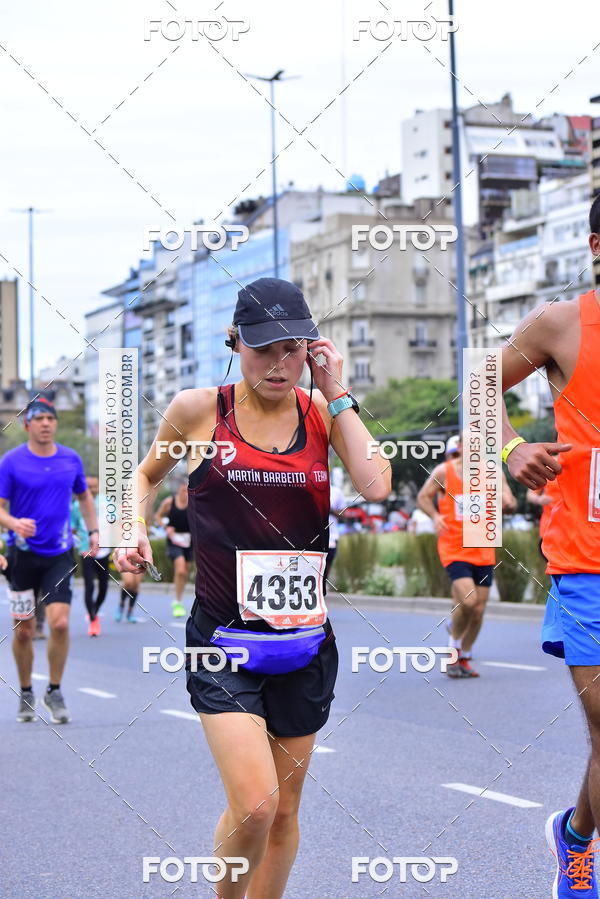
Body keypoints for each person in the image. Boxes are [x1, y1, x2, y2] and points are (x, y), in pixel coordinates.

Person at [115, 277, 391, 899]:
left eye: (293, 349)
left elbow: (376, 485)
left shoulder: (322, 413)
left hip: (303, 643)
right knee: (258, 806)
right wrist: (132, 529)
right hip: (223, 639)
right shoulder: (198, 410)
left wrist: (337, 390)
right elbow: (141, 476)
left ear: (312, 350)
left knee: (287, 813)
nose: (278, 363)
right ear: (235, 343)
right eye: (263, 348)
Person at [501, 196, 600, 897]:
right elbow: (479, 386)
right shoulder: (562, 325)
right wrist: (513, 445)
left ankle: (576, 834)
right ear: (595, 246)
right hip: (586, 568)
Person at [0, 397, 98, 723]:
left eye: (50, 419)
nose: (45, 423)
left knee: (59, 622)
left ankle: (54, 690)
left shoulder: (70, 460)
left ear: (55, 424)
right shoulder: (11, 462)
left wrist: (94, 531)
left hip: (59, 553)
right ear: (27, 424)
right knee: (25, 630)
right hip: (21, 556)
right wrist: (13, 523)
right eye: (38, 418)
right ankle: (26, 690)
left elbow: (84, 496)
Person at [417, 434, 517, 678]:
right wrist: (435, 516)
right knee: (469, 601)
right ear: (461, 447)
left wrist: (507, 501)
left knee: (478, 609)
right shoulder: (444, 471)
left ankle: (465, 655)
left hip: (483, 547)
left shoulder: (494, 473)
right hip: (453, 546)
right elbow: (422, 497)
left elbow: (511, 501)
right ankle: (453, 650)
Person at [77, 475, 111, 636]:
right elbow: (72, 529)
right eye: (88, 487)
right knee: (89, 586)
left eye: (94, 487)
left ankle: (95, 611)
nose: (91, 490)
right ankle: (93, 620)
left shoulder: (108, 503)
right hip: (86, 551)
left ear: (99, 487)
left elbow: (115, 524)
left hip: (104, 551)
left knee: (103, 587)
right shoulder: (77, 505)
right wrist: (81, 543)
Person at [155, 481, 192, 617]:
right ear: (178, 491)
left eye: (187, 491)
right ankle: (177, 601)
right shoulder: (169, 502)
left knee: (185, 572)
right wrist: (166, 527)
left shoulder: (194, 501)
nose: (185, 494)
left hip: (189, 540)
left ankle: (179, 599)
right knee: (180, 569)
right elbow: (158, 516)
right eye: (183, 491)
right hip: (174, 540)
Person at [323, 467, 346, 591]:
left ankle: (324, 582)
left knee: (329, 559)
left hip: (332, 534)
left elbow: (343, 514)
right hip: (316, 533)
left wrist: (330, 509)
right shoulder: (316, 488)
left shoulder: (336, 492)